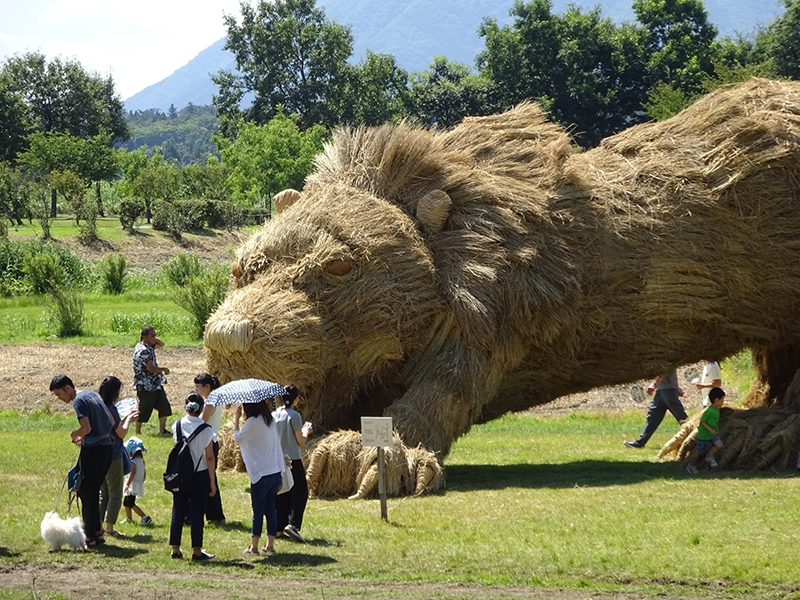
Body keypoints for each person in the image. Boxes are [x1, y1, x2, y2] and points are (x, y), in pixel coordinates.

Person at [50, 374, 115, 548]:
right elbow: (111, 420)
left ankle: (89, 537)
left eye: (59, 394)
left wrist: (75, 434)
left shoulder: (78, 401)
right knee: (92, 491)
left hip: (95, 451)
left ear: (68, 388)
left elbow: (86, 428)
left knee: (86, 492)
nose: (60, 398)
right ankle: (97, 533)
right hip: (107, 447)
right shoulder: (92, 395)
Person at [168, 392, 216, 561]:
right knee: (197, 513)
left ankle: (175, 548)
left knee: (178, 510)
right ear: (201, 408)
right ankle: (196, 550)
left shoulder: (177, 425)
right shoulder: (206, 430)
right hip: (200, 474)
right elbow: (209, 457)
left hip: (180, 474)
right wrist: (212, 481)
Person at [234, 399, 284, 556]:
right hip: (275, 470)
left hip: (261, 474)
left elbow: (238, 439)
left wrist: (236, 419)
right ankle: (270, 546)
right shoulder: (269, 419)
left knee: (258, 511)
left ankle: (254, 547)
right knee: (271, 509)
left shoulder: (252, 422)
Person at [98, 375, 139, 539]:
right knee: (115, 493)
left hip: (99, 454)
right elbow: (120, 433)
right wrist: (129, 419)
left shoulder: (99, 407)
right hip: (113, 454)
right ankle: (109, 527)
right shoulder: (111, 409)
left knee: (104, 493)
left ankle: (98, 525)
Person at [273, 383, 312, 543]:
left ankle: (277, 529)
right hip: (293, 459)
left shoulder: (274, 415)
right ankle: (293, 524)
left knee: (281, 494)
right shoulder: (294, 416)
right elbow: (300, 441)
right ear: (296, 399)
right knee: (300, 493)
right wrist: (306, 431)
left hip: (278, 459)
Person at [624, 369, 688, 449]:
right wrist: (676, 387)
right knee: (652, 417)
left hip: (668, 391)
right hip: (661, 390)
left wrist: (654, 384)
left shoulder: (663, 356)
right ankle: (639, 443)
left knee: (683, 419)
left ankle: (697, 439)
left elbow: (665, 368)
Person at [196, 373, 226, 525]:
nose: (196, 389)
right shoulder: (213, 400)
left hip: (208, 443)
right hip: (211, 441)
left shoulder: (210, 403)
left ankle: (215, 515)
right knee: (210, 478)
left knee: (208, 479)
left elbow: (200, 423)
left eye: (198, 386)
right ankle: (215, 515)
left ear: (207, 387)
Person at [132, 325, 172, 435]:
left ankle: (162, 430)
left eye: (155, 335)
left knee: (164, 406)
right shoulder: (143, 350)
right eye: (152, 335)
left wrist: (153, 338)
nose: (154, 338)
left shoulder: (148, 346)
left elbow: (161, 344)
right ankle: (138, 432)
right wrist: (164, 369)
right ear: (143, 337)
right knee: (144, 409)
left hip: (155, 384)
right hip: (145, 385)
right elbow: (151, 368)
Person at [686, 387, 726, 474]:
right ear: (716, 400)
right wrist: (710, 430)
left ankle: (710, 456)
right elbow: (702, 422)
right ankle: (691, 465)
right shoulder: (709, 411)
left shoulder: (717, 410)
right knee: (700, 452)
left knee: (720, 446)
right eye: (722, 399)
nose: (723, 402)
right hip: (704, 435)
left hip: (713, 434)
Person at [122, 436, 152, 526]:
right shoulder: (141, 460)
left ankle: (145, 517)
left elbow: (133, 472)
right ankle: (129, 518)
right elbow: (144, 472)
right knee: (126, 502)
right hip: (136, 484)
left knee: (130, 503)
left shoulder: (133, 462)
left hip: (132, 485)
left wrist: (127, 484)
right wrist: (142, 481)